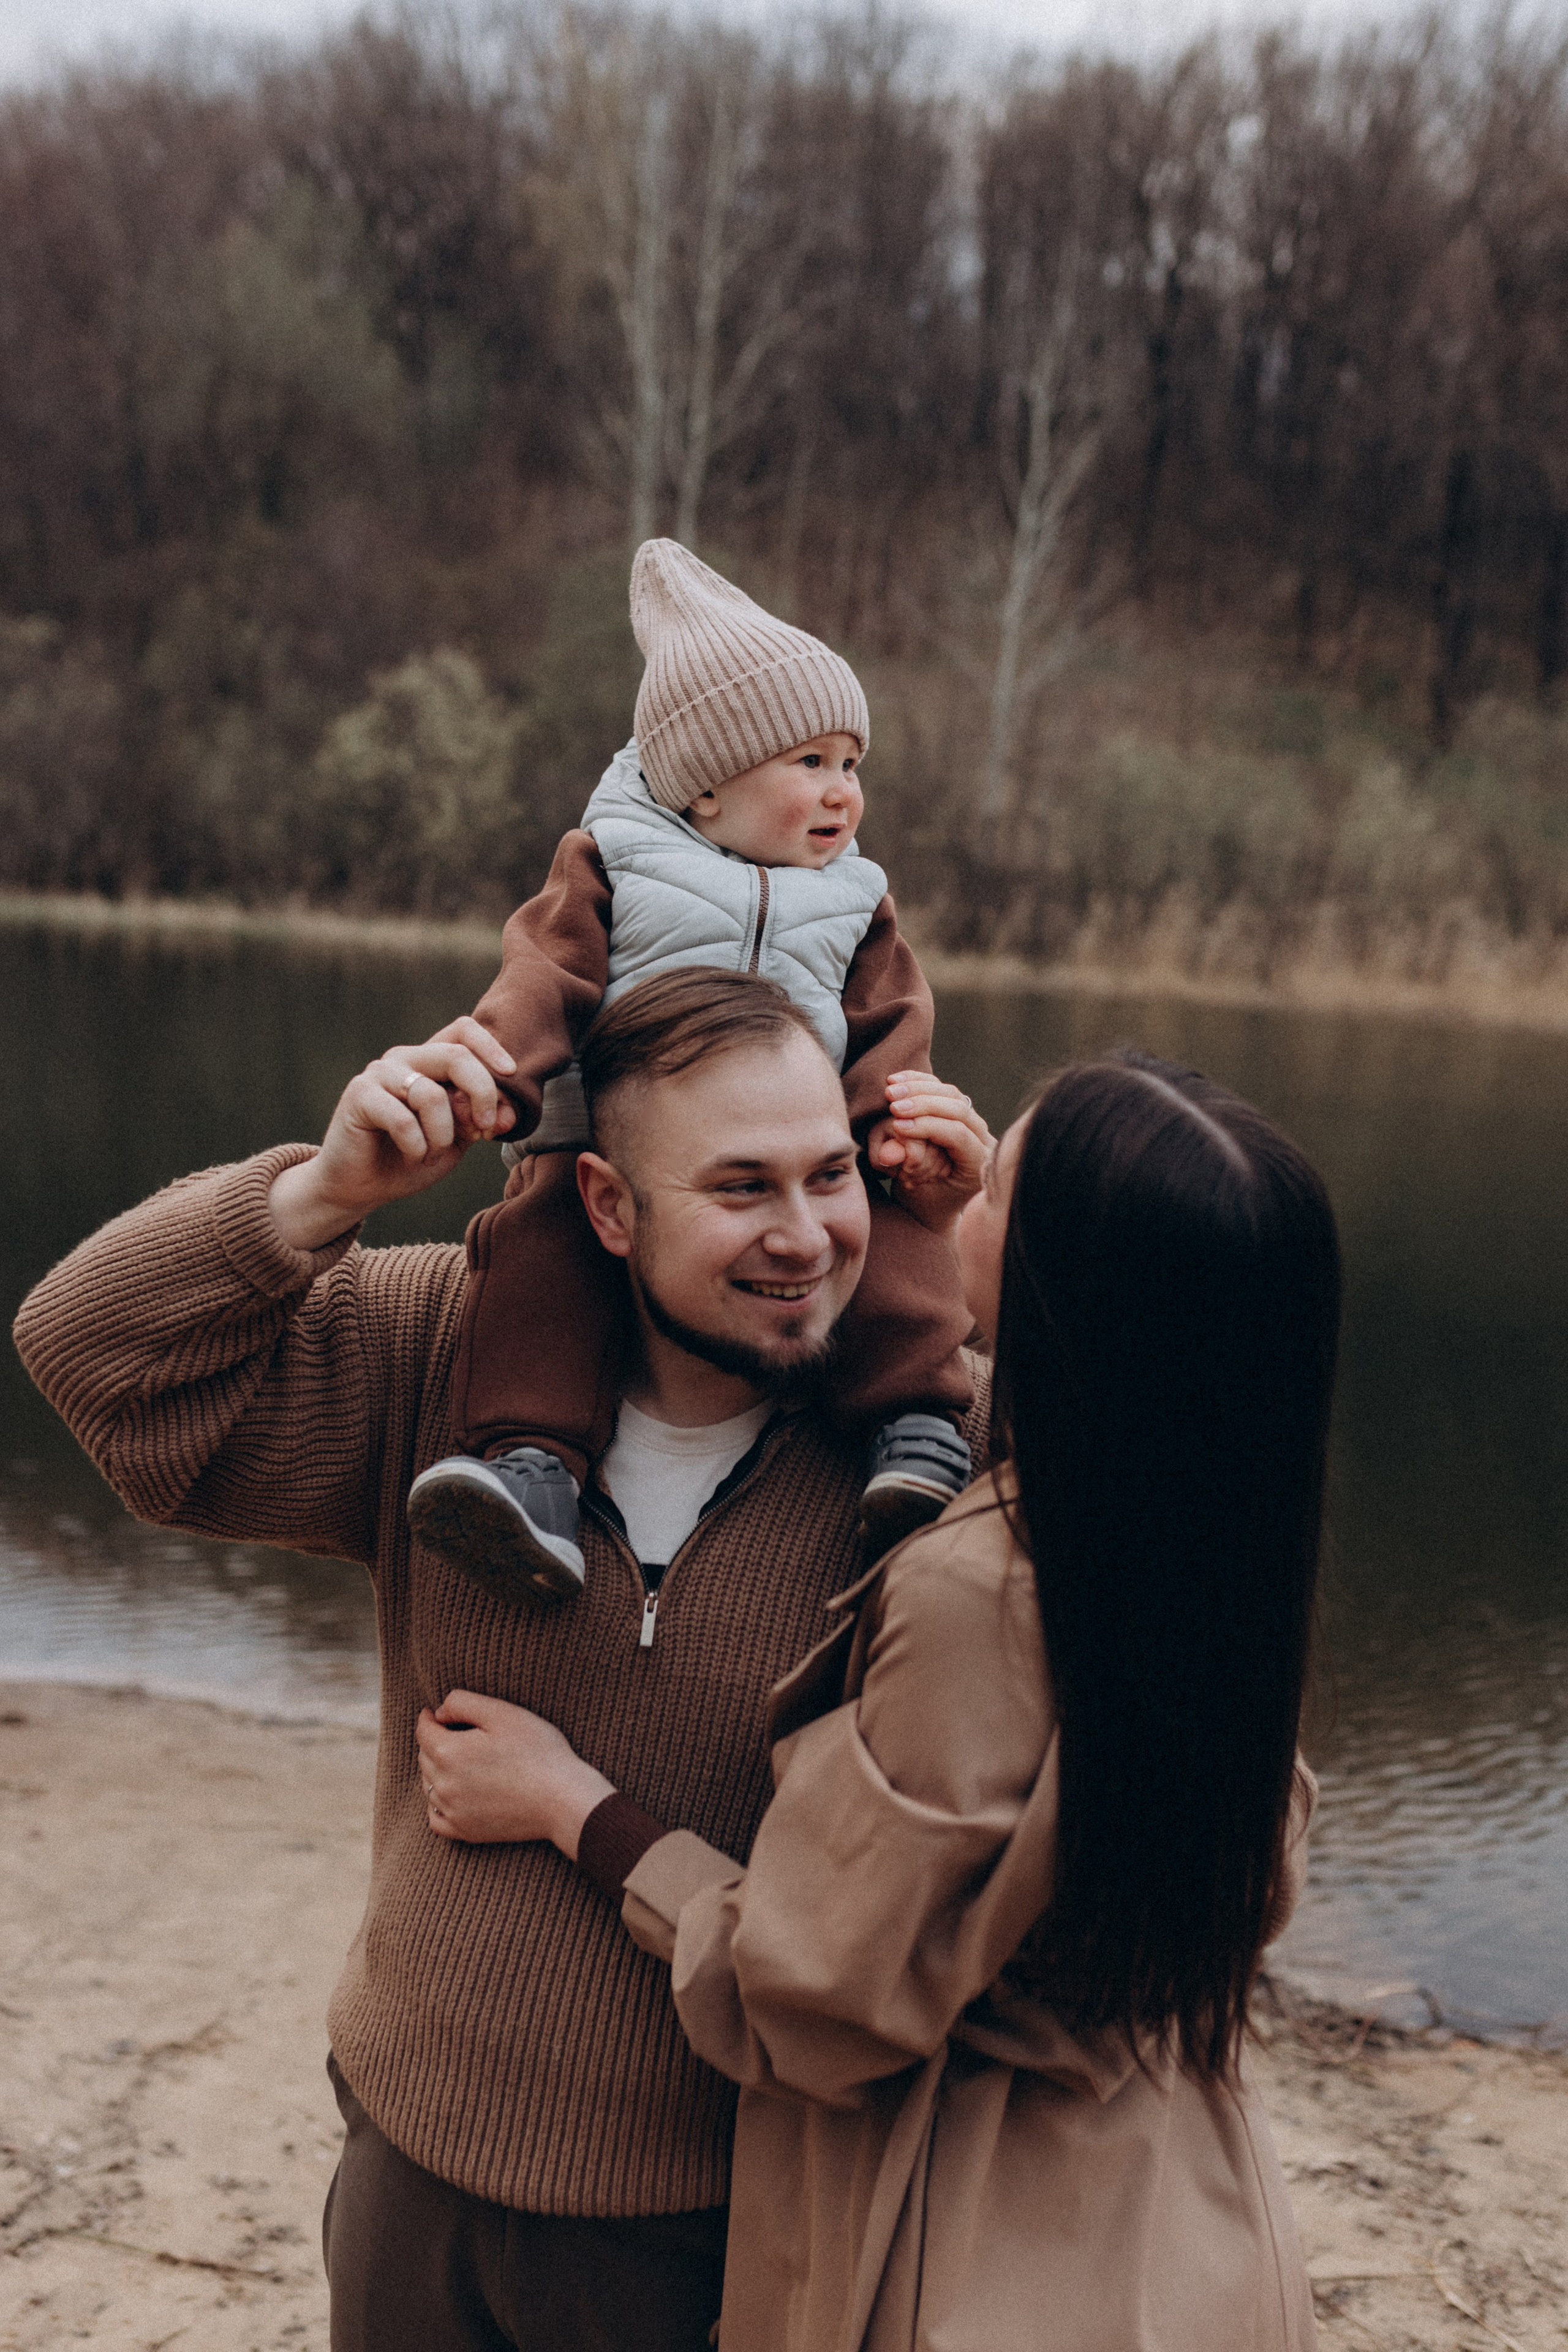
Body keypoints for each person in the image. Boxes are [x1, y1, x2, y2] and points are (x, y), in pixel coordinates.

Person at [12, 968, 994, 2352]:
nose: (805, 1238)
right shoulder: (442, 1354)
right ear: (604, 1204)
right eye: (738, 1189)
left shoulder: (936, 1448)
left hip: (733, 2210)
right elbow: (91, 1354)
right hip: (415, 2164)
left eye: (829, 1174)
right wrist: (323, 1197)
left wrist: (985, 1251)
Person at [416, 1049, 1340, 2352]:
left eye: (993, 1185)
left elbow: (813, 1997)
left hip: (977, 2250)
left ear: (1065, 1284)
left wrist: (577, 1809)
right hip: (1188, 2223)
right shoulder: (1224, 1544)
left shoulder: (983, 1589)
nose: (943, 1198)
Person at [407, 537, 975, 1604]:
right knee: (540, 1255)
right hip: (602, 1125)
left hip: (807, 1133)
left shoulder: (853, 899)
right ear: (706, 787)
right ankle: (531, 1470)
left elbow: (892, 1017)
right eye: (809, 763)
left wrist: (895, 1125)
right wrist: (499, 1075)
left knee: (890, 1230)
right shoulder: (617, 859)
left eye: (852, 765)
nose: (842, 793)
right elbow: (545, 974)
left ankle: (916, 1431)